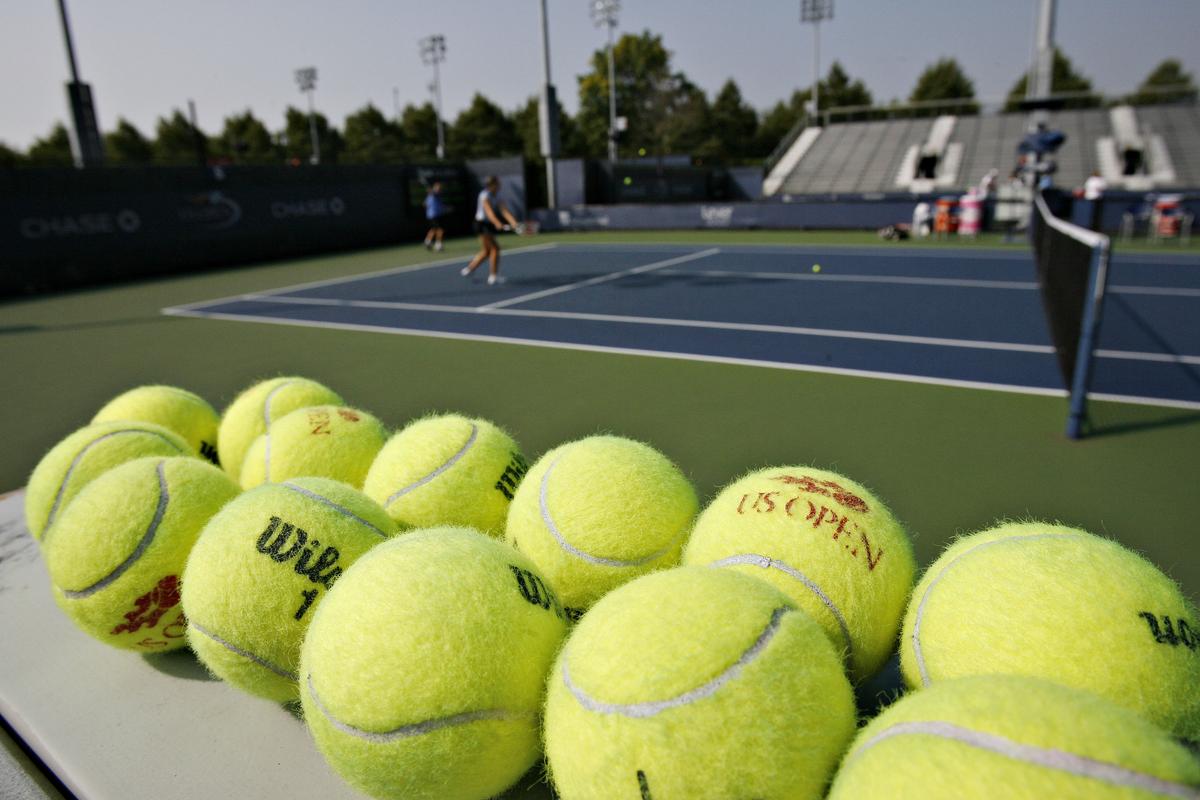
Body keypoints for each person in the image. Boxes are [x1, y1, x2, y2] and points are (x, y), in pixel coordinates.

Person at [461, 176, 520, 286]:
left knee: (487, 251)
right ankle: (493, 276)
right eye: (497, 183)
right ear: (492, 185)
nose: (500, 185)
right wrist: (497, 223)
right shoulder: (484, 195)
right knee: (495, 249)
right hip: (481, 224)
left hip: (487, 224)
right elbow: (488, 212)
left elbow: (504, 210)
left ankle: (469, 269)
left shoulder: (498, 195)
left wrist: (513, 223)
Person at [423, 182, 446, 252]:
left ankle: (427, 241)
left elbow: (425, 204)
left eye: (440, 188)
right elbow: (425, 204)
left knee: (433, 229)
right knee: (440, 230)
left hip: (436, 215)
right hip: (433, 215)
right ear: (434, 188)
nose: (439, 189)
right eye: (437, 187)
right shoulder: (432, 195)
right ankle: (438, 245)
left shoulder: (437, 195)